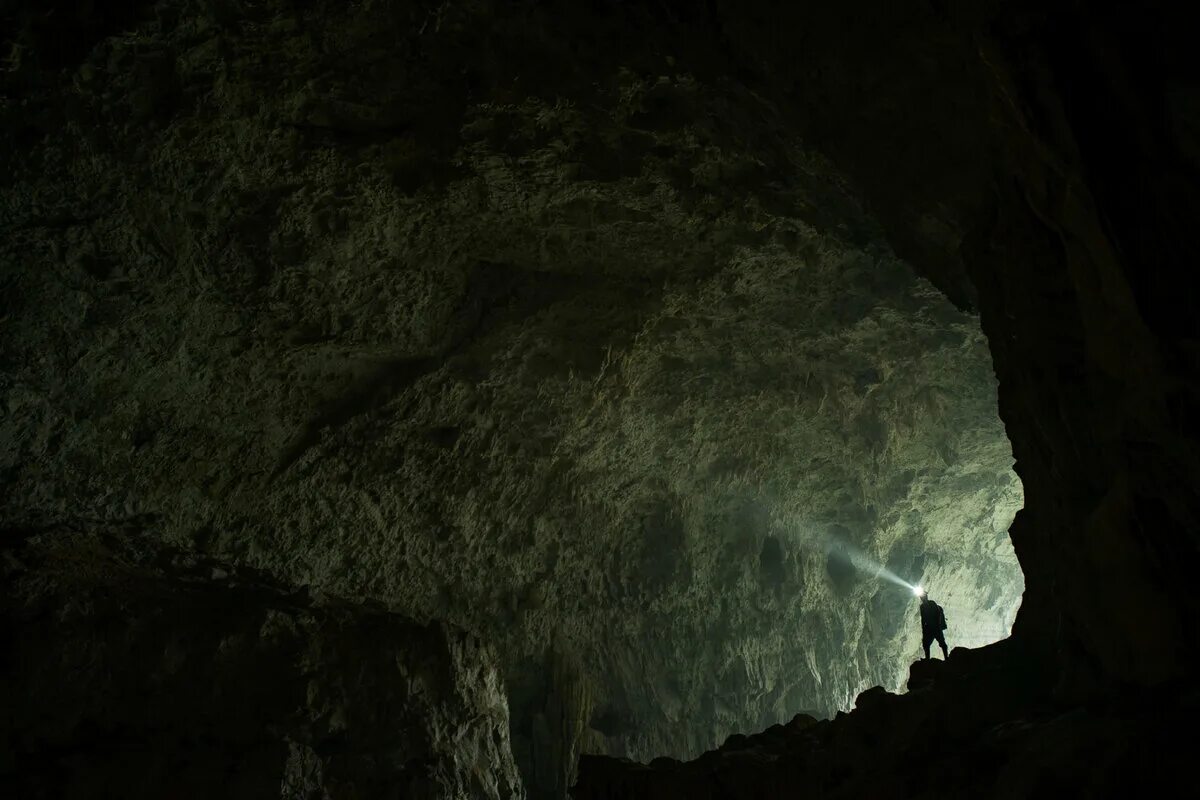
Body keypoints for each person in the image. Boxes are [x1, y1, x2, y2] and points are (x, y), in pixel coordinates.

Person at [918, 591, 949, 660]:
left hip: (934, 627)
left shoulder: (931, 603)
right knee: (926, 644)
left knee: (941, 643)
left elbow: (937, 614)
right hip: (930, 628)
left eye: (923, 597)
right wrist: (924, 629)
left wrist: (937, 625)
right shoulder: (922, 607)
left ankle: (946, 657)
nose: (922, 598)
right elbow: (923, 619)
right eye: (922, 597)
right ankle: (928, 659)